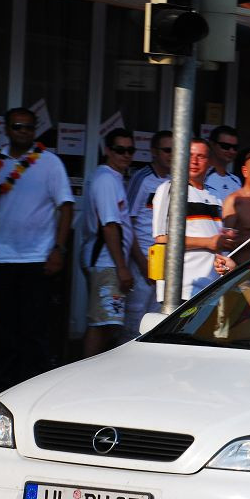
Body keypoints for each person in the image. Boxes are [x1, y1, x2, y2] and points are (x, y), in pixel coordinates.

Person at [0, 107, 74, 390]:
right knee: (3, 328)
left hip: (38, 258)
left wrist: (58, 249)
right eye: (17, 127)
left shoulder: (49, 163)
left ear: (35, 130)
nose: (22, 132)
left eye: (28, 127)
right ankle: (2, 387)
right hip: (2, 259)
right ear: (7, 129)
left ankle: (33, 388)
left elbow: (66, 206)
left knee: (35, 328)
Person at [153, 139, 234, 303]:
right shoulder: (169, 189)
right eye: (190, 155)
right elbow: (161, 239)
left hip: (209, 288)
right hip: (181, 288)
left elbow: (215, 240)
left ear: (209, 161)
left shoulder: (215, 195)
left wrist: (223, 243)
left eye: (201, 156)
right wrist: (208, 242)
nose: (194, 161)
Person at [80, 128, 136, 357]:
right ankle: (85, 375)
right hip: (106, 262)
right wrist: (122, 267)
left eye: (130, 150)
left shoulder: (114, 178)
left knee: (108, 323)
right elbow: (109, 226)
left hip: (109, 262)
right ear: (107, 151)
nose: (125, 155)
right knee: (103, 324)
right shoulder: (105, 180)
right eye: (120, 150)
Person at [123, 130, 172, 340]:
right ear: (154, 152)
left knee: (157, 317)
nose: (172, 154)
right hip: (141, 259)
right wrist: (141, 263)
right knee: (135, 316)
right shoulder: (141, 178)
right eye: (167, 150)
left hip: (165, 262)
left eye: (175, 150)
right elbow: (128, 223)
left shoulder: (177, 181)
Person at [205, 125, 242, 204]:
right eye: (225, 146)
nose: (231, 151)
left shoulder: (236, 181)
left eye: (235, 147)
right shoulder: (201, 177)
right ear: (212, 144)